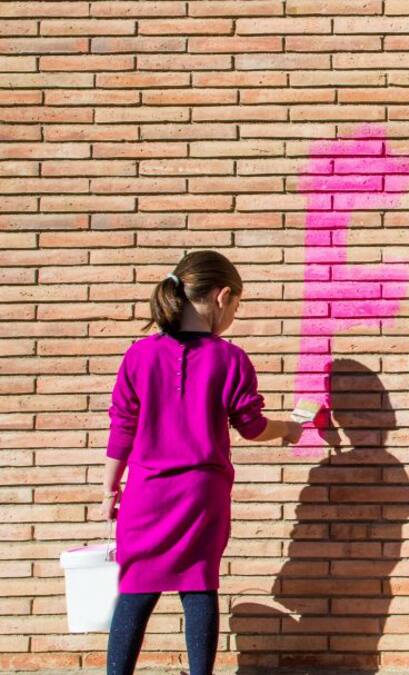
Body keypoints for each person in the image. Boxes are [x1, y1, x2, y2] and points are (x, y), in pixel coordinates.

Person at [101, 250, 305, 675]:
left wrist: (109, 489)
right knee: (198, 585)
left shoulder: (138, 356)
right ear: (222, 296)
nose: (232, 314)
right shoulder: (230, 359)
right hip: (201, 496)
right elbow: (251, 427)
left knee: (135, 589)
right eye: (235, 305)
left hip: (145, 493)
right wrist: (288, 428)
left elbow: (122, 428)